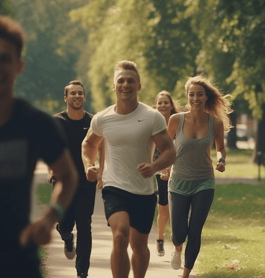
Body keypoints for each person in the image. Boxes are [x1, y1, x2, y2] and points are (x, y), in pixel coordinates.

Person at [0, 15, 78, 278]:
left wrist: (50, 218)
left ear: (18, 65)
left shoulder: (36, 123)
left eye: (4, 59)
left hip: (17, 258)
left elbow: (68, 176)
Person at [82, 60, 176, 278]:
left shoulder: (151, 117)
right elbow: (88, 144)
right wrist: (89, 165)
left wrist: (154, 166)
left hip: (143, 191)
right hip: (114, 186)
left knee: (139, 247)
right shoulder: (103, 118)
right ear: (114, 86)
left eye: (130, 81)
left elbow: (170, 152)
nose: (125, 85)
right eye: (121, 81)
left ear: (139, 85)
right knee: (120, 235)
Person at [167, 75, 232, 278]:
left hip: (204, 182)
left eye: (199, 95)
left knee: (195, 231)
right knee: (179, 233)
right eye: (192, 94)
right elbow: (165, 147)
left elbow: (220, 148)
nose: (195, 98)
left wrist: (221, 160)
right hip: (178, 181)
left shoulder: (216, 123)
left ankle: (186, 274)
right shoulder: (175, 120)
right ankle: (177, 248)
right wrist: (162, 167)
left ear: (206, 97)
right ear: (187, 97)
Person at [48, 80, 103, 278]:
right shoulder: (57, 121)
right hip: (62, 180)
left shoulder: (93, 121)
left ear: (84, 97)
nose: (77, 96)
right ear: (66, 97)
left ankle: (82, 271)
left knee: (84, 224)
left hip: (85, 181)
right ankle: (66, 236)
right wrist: (50, 170)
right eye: (73, 93)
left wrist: (101, 172)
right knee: (64, 223)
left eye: (80, 93)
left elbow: (102, 147)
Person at [153, 90, 180, 256]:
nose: (163, 105)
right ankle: (160, 239)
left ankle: (176, 239)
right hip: (161, 170)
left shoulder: (179, 121)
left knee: (177, 209)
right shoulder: (152, 124)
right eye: (160, 103)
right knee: (163, 208)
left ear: (171, 105)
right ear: (156, 106)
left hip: (179, 170)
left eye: (166, 102)